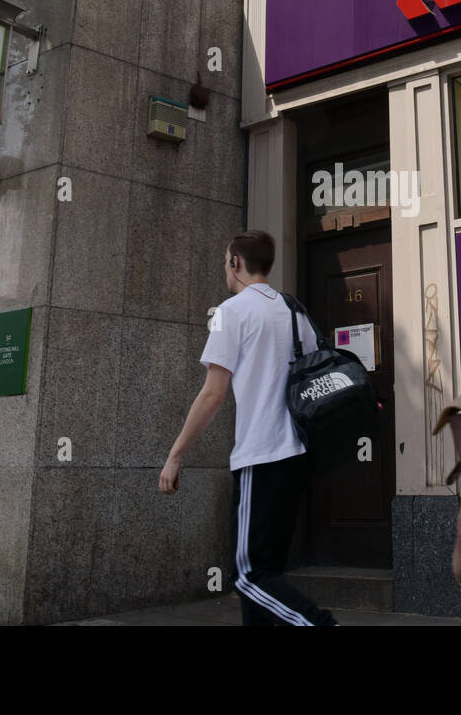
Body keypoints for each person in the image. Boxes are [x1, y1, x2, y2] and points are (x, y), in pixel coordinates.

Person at [159, 229, 338, 626]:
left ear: (235, 263)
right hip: (296, 456)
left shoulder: (232, 312)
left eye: (226, 261)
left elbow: (213, 394)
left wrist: (175, 455)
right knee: (268, 570)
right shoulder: (294, 311)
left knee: (249, 576)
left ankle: (321, 624)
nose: (226, 268)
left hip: (261, 454)